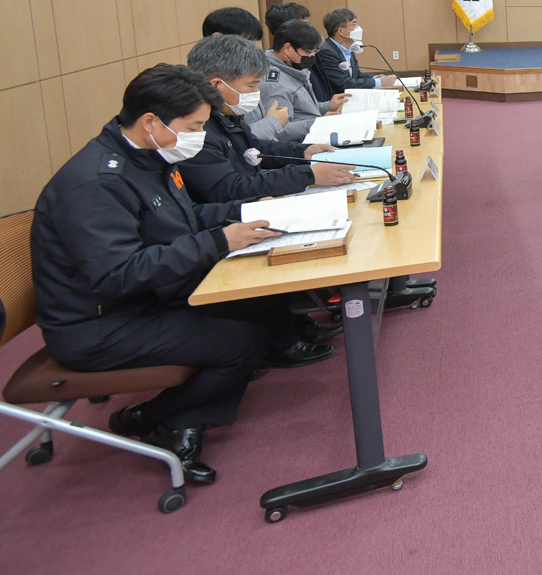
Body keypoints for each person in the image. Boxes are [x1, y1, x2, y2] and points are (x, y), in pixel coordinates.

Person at [29, 65, 332, 486]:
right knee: (240, 344)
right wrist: (218, 242)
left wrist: (247, 214)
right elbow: (119, 273)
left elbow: (183, 218)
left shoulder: (148, 156)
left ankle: (184, 418)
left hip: (145, 297)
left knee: (257, 300)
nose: (200, 136)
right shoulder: (95, 184)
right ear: (151, 122)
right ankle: (151, 418)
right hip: (98, 325)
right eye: (194, 127)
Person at [180, 35, 355, 204]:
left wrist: (303, 152)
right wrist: (307, 175)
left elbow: (255, 147)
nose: (257, 91)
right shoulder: (194, 130)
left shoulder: (227, 111)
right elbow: (230, 188)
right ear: (217, 85)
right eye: (251, 85)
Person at [256, 20, 351, 142]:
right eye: (308, 52)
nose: (311, 56)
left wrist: (327, 106)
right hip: (300, 145)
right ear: (287, 48)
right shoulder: (274, 84)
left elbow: (301, 110)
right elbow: (279, 130)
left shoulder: (292, 69)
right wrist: (317, 124)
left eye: (314, 52)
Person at [314, 7, 398, 98]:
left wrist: (376, 77)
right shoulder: (326, 51)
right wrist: (379, 82)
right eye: (354, 24)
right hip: (338, 101)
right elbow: (343, 83)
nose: (358, 28)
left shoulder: (348, 48)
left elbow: (356, 75)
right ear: (341, 31)